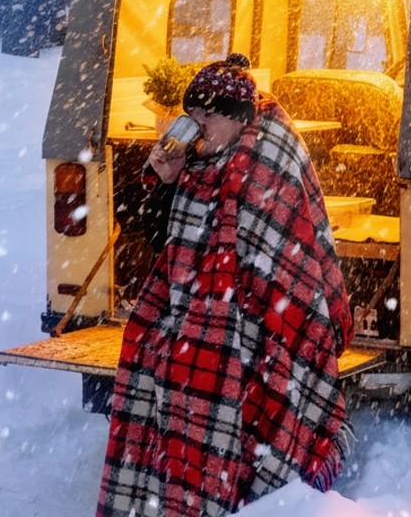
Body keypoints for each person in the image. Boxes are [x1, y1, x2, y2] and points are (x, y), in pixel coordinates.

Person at [97, 53, 354, 517]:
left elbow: (279, 262)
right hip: (210, 312)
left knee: (235, 387)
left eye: (205, 116)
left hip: (263, 318)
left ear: (237, 119)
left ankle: (249, 497)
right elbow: (170, 245)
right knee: (164, 359)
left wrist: (227, 323)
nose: (195, 127)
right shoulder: (200, 164)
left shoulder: (267, 159)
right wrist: (168, 183)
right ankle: (186, 495)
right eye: (189, 116)